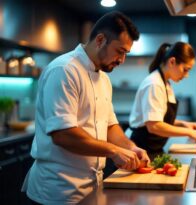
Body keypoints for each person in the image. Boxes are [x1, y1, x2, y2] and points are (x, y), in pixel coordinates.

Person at [22, 11, 149, 204]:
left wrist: (131, 147)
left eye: (126, 53)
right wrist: (114, 151)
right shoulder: (64, 70)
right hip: (58, 191)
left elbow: (109, 126)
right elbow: (62, 134)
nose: (122, 60)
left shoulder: (104, 79)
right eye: (120, 51)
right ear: (100, 40)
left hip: (92, 188)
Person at [128, 42, 196, 159]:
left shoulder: (165, 84)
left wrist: (183, 124)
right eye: (186, 69)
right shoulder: (154, 84)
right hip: (140, 151)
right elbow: (154, 126)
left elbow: (159, 117)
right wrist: (190, 132)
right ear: (172, 62)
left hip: (153, 150)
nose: (186, 75)